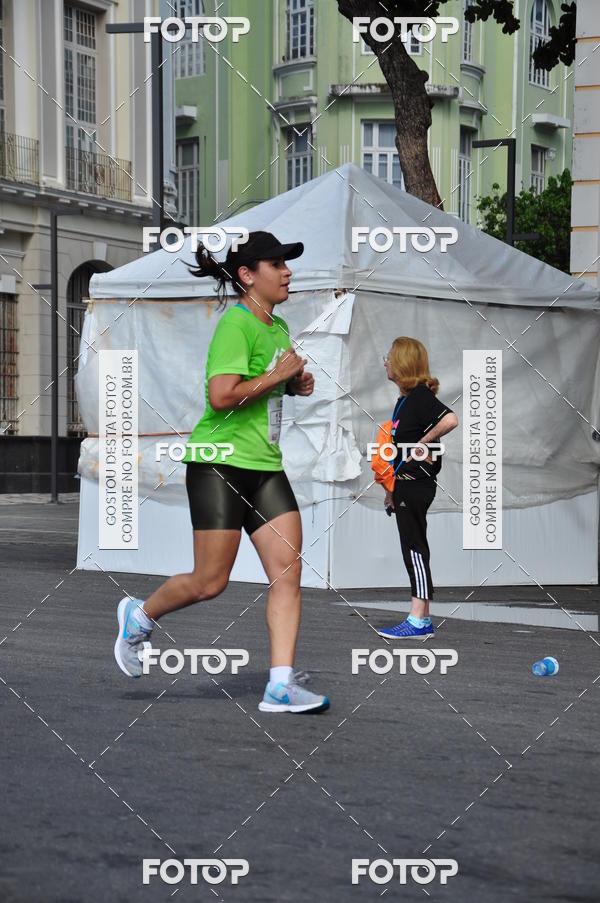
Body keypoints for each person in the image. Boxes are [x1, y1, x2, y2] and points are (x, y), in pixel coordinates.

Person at [113, 230, 330, 714]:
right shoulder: (236, 325)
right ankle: (139, 615)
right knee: (211, 582)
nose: (288, 271)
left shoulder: (277, 328)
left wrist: (293, 387)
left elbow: (263, 387)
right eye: (278, 264)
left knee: (288, 573)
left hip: (265, 466)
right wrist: (277, 377)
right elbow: (222, 395)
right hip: (219, 463)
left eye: (287, 263)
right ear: (249, 276)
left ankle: (279, 685)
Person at [376, 337, 458, 639]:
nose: (385, 362)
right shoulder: (405, 400)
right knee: (412, 547)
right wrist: (389, 490)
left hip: (416, 486)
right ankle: (420, 618)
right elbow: (397, 451)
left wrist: (423, 443)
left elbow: (451, 419)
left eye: (389, 357)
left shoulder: (421, 397)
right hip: (403, 486)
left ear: (402, 362)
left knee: (414, 548)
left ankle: (418, 618)